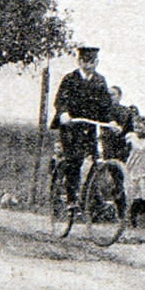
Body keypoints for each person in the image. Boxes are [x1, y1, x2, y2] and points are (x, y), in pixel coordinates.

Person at [50, 46, 113, 207]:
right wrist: (63, 113)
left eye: (92, 62)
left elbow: (105, 105)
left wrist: (110, 121)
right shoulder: (70, 79)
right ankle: (71, 198)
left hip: (90, 126)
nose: (88, 65)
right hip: (71, 126)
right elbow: (60, 100)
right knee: (75, 158)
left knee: (96, 157)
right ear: (79, 61)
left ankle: (91, 195)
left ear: (97, 62)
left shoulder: (100, 80)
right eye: (85, 61)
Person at [103, 85, 136, 161]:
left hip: (123, 146)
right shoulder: (103, 111)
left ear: (120, 96)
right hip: (108, 146)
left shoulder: (127, 111)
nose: (110, 97)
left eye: (113, 94)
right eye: (108, 95)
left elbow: (131, 128)